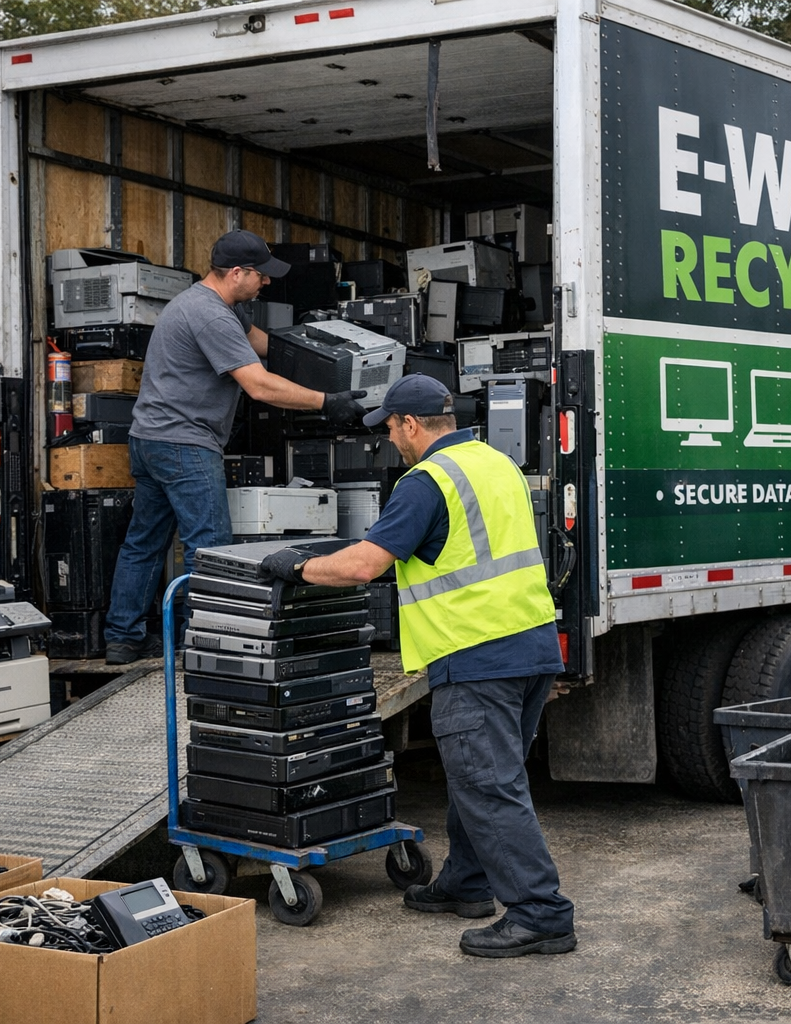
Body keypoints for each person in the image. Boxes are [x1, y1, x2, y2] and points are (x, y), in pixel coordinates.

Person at [261, 374, 575, 958]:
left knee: (488, 784)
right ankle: (468, 881)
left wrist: (297, 567)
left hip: (477, 652)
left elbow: (364, 565)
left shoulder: (426, 482)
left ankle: (541, 913)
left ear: (410, 424)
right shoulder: (495, 463)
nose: (387, 438)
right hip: (529, 646)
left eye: (388, 427)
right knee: (480, 776)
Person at [103, 229, 365, 664]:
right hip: (184, 444)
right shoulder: (212, 317)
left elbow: (270, 348)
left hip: (149, 439)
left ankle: (122, 638)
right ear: (238, 273)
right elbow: (259, 386)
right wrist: (327, 401)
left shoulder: (205, 304)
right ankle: (202, 641)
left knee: (144, 542)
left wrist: (327, 352)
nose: (266, 283)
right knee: (212, 548)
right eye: (260, 276)